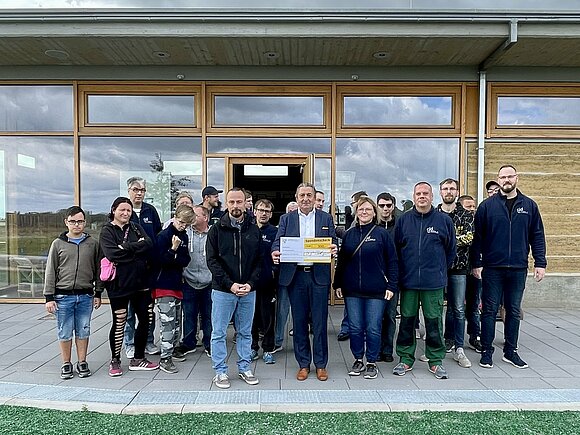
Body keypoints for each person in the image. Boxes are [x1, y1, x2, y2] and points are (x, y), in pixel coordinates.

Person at [472, 165, 547, 369]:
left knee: (513, 310)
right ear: (498, 179)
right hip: (492, 268)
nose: (506, 180)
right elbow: (478, 238)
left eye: (510, 176)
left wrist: (540, 262)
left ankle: (510, 351)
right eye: (503, 177)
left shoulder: (529, 206)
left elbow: (537, 235)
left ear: (517, 178)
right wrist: (476, 263)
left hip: (518, 268)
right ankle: (486, 351)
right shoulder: (487, 207)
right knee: (488, 310)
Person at [272, 182, 338, 382]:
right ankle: (303, 364)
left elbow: (333, 240)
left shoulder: (326, 218)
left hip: (318, 275)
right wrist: (275, 251)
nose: (306, 198)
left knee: (319, 322)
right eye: (302, 195)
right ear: (296, 197)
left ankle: (320, 365)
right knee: (299, 322)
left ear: (314, 197)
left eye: (309, 195)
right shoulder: (286, 218)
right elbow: (277, 241)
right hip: (296, 276)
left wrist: (334, 248)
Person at [392, 182, 456, 380]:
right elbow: (396, 250)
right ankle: (405, 358)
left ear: (432, 196)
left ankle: (435, 361)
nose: (422, 196)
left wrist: (438, 271)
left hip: (433, 283)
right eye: (418, 193)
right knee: (407, 323)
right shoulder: (403, 221)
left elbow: (450, 251)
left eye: (425, 193)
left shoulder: (443, 221)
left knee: (434, 323)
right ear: (414, 196)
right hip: (409, 282)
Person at [334, 197, 398, 379]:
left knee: (373, 327)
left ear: (374, 212)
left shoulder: (382, 234)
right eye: (361, 209)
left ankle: (371, 361)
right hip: (352, 290)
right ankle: (357, 359)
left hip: (377, 290)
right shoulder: (349, 235)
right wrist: (337, 283)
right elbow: (342, 263)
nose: (364, 212)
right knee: (355, 327)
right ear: (356, 212)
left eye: (368, 209)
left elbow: (392, 262)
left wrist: (391, 285)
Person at [206, 188, 262, 389]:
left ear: (246, 203)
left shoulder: (254, 229)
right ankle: (220, 371)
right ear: (226, 203)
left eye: (239, 202)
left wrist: (250, 284)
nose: (236, 206)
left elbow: (259, 262)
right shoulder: (216, 229)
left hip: (248, 290)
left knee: (246, 332)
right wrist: (230, 285)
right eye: (232, 202)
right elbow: (212, 261)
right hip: (223, 291)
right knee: (219, 332)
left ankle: (244, 367)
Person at [99, 197, 158, 377]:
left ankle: (138, 358)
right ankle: (115, 360)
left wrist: (126, 247)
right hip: (119, 285)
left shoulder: (135, 227)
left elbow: (148, 245)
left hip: (141, 283)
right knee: (120, 322)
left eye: (129, 210)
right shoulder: (107, 231)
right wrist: (135, 250)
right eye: (122, 210)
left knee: (146, 318)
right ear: (114, 210)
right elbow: (112, 254)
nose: (125, 213)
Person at [44, 206, 102, 379]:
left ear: (85, 222)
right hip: (63, 297)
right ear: (66, 222)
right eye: (73, 221)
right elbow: (51, 270)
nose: (77, 225)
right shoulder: (58, 244)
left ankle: (82, 361)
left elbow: (99, 269)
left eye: (80, 221)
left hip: (85, 296)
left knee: (84, 330)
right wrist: (49, 297)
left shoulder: (92, 244)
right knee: (65, 330)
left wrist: (98, 292)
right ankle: (66, 363)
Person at [153, 205, 195, 374]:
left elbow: (186, 260)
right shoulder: (164, 236)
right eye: (181, 222)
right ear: (174, 217)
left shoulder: (183, 236)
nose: (183, 226)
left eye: (186, 224)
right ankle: (165, 358)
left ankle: (173, 349)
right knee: (167, 324)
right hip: (163, 285)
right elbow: (160, 260)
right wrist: (173, 251)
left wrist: (176, 256)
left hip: (177, 284)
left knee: (177, 322)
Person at [124, 177, 162, 359]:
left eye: (142, 190)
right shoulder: (124, 211)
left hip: (149, 269)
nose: (139, 193)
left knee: (148, 309)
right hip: (130, 270)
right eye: (135, 189)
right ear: (128, 190)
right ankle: (130, 342)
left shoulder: (150, 211)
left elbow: (156, 235)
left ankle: (148, 340)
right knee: (130, 310)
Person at [438, 178, 474, 369]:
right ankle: (442, 344)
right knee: (436, 309)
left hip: (459, 268)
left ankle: (459, 347)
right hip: (437, 269)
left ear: (457, 192)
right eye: (445, 188)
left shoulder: (467, 215)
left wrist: (445, 240)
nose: (449, 191)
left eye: (452, 188)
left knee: (458, 309)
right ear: (440, 192)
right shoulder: (434, 214)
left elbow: (469, 237)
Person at [175, 205, 213, 358]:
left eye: (195, 215)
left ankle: (210, 344)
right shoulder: (184, 234)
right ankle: (188, 343)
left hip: (209, 282)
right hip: (189, 281)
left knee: (209, 315)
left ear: (205, 217)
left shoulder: (213, 234)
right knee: (189, 314)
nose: (191, 218)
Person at [250, 199, 278, 364]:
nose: (263, 213)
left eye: (267, 211)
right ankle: (253, 347)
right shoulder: (248, 230)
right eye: (261, 210)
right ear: (254, 211)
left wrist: (274, 273)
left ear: (271, 214)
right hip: (249, 283)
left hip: (268, 282)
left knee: (268, 317)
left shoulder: (275, 232)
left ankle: (268, 349)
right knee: (251, 317)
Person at [273, 200, 300, 352]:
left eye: (295, 210)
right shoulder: (282, 225)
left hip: (305, 275)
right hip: (287, 273)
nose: (292, 213)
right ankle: (278, 341)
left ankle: (299, 341)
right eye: (290, 210)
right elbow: (276, 243)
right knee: (282, 310)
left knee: (300, 311)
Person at [376, 192, 399, 362]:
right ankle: (375, 349)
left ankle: (387, 350)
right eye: (382, 205)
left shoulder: (399, 226)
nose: (385, 208)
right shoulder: (371, 226)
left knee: (390, 316)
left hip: (392, 279)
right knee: (375, 317)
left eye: (388, 205)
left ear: (393, 207)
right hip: (374, 279)